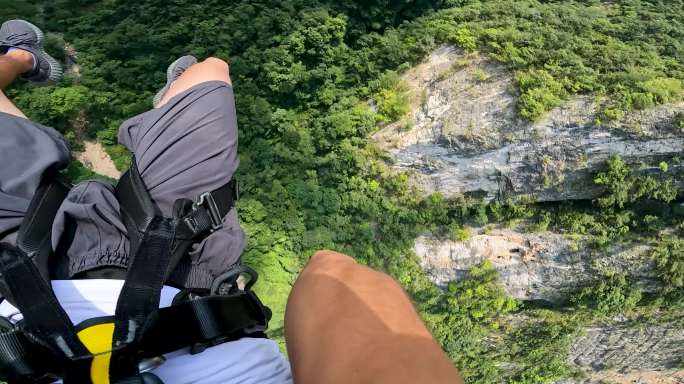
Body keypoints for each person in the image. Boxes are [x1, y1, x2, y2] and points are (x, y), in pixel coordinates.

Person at [0, 20, 463, 384]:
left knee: (209, 75)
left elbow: (337, 277)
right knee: (209, 71)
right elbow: (335, 283)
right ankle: (162, 93)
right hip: (151, 266)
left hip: (77, 271)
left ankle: (17, 57)